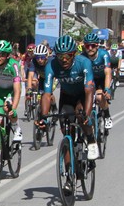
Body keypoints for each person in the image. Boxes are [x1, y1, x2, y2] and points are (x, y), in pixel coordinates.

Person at [37, 34, 98, 164]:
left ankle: (91, 139)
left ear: (74, 54)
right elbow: (47, 94)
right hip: (67, 96)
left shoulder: (84, 63)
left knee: (81, 116)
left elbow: (89, 91)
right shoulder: (51, 66)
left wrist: (86, 116)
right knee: (66, 131)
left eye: (68, 56)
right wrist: (44, 117)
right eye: (60, 56)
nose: (64, 60)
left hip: (83, 94)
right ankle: (69, 174)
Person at [82, 33, 113, 129]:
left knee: (99, 97)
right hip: (90, 79)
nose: (90, 48)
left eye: (93, 45)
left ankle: (107, 115)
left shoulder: (103, 54)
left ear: (97, 46)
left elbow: (108, 72)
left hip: (102, 78)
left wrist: (107, 89)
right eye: (87, 46)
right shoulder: (82, 57)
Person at [25, 43, 56, 117]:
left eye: (42, 57)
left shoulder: (51, 61)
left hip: (53, 78)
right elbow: (30, 75)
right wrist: (29, 88)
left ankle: (54, 107)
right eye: (37, 57)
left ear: (46, 56)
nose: (39, 60)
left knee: (49, 94)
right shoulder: (34, 62)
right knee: (41, 95)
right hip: (42, 78)